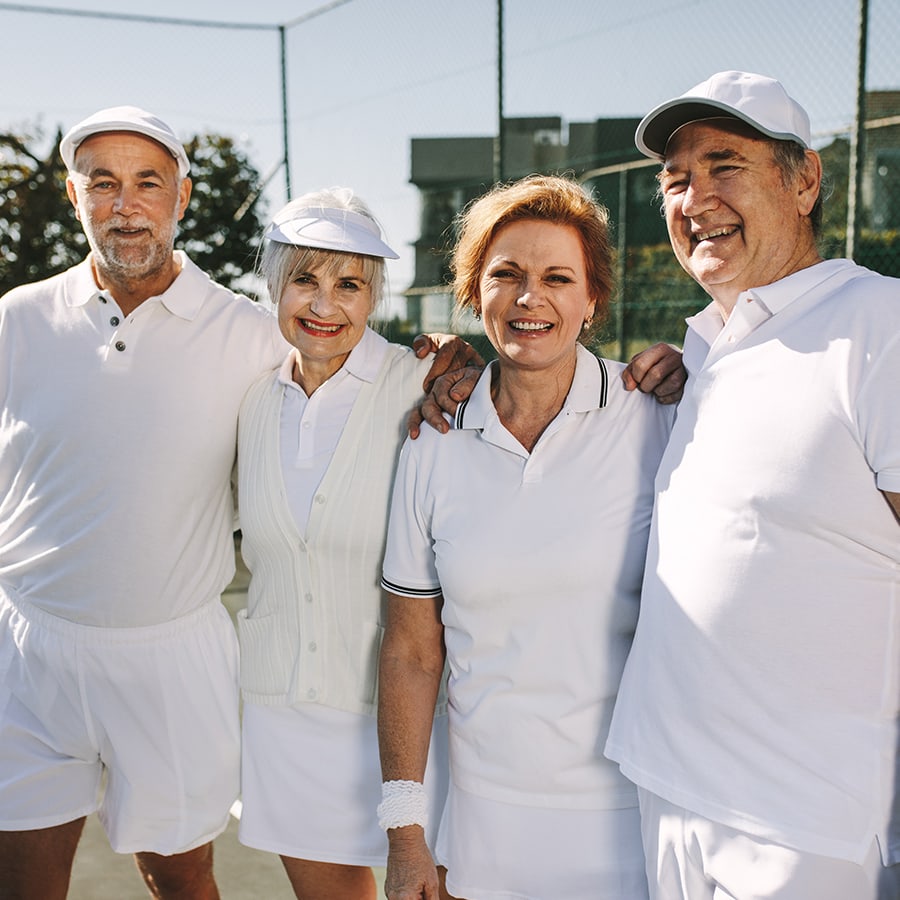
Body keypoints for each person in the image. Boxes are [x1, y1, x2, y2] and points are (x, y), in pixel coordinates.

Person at [0, 106, 474, 900]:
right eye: (103, 183)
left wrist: (454, 360)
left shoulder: (256, 335)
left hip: (179, 656)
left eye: (148, 183)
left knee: (183, 875)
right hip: (31, 652)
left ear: (181, 196)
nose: (126, 205)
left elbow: (362, 352)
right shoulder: (16, 320)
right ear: (73, 194)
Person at [604, 71, 900, 899]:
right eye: (674, 180)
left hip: (805, 823)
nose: (694, 198)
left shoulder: (879, 323)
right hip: (665, 789)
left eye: (724, 166)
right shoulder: (703, 350)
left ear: (803, 182)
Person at [377, 174, 675, 899]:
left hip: (634, 821)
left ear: (592, 299)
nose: (528, 297)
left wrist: (696, 366)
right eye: (505, 274)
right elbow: (412, 652)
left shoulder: (657, 417)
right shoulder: (431, 442)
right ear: (474, 293)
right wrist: (406, 835)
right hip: (482, 826)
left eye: (557, 278)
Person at [235, 188, 452, 899]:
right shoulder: (252, 402)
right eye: (305, 279)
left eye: (349, 284)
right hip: (282, 717)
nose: (325, 304)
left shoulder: (426, 383)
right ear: (275, 286)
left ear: (374, 295)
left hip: (408, 726)